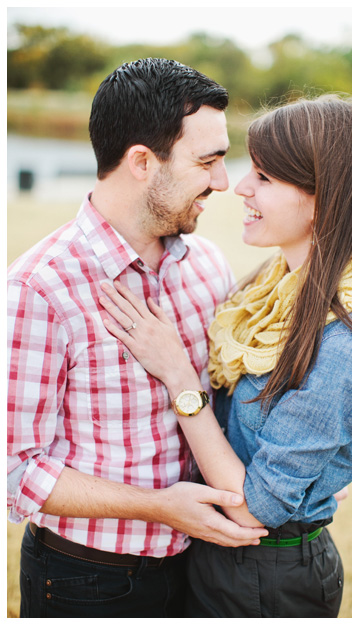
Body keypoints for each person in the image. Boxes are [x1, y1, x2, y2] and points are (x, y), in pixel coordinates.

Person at [98, 93, 352, 617]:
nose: (238, 186)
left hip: (268, 577)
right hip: (217, 558)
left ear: (323, 196)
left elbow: (255, 507)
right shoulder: (269, 288)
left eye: (264, 176)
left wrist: (179, 377)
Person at [7, 58, 270, 619]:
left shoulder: (207, 265)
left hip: (203, 570)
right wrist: (160, 508)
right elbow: (15, 471)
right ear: (142, 162)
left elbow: (226, 403)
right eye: (208, 161)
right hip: (87, 582)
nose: (224, 182)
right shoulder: (40, 288)